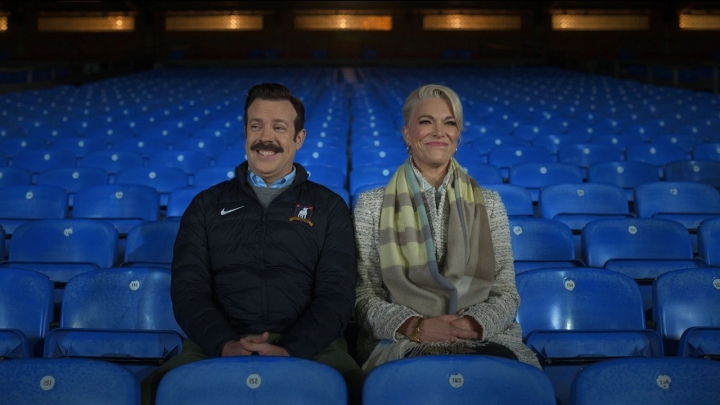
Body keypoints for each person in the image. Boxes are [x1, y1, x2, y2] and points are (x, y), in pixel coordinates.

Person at [141, 83, 363, 404]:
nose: (265, 138)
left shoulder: (330, 207)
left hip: (314, 349)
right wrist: (225, 345)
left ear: (298, 139)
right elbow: (189, 290)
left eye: (279, 127)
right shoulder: (205, 205)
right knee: (153, 391)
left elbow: (337, 294)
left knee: (362, 391)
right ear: (245, 132)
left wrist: (291, 349)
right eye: (256, 126)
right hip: (214, 346)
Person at [353, 84, 541, 372]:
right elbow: (364, 295)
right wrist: (415, 327)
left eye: (449, 123)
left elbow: (506, 291)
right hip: (402, 339)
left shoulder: (490, 203)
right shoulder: (371, 205)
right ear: (407, 134)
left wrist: (470, 325)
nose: (439, 132)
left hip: (481, 335)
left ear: (457, 137)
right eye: (426, 121)